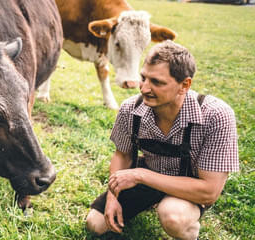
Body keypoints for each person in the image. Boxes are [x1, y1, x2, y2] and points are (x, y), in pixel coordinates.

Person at [86, 40, 239, 240]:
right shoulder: (130, 109)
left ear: (184, 85)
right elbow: (122, 154)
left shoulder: (216, 115)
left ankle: (190, 231)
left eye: (157, 82)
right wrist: (112, 197)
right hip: (150, 172)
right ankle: (149, 200)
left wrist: (140, 175)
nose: (144, 88)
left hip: (189, 185)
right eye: (143, 78)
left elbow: (209, 191)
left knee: (173, 217)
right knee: (95, 224)